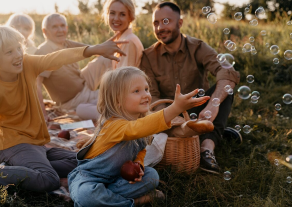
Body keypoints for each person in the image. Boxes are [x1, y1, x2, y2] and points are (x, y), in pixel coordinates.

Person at [0, 25, 126, 192]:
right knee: (49, 179)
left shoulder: (27, 64)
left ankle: (30, 167)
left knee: (88, 162)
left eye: (18, 48)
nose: (17, 54)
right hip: (13, 147)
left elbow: (54, 58)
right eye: (9, 52)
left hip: (38, 145)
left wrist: (93, 49)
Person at [68, 66, 210, 206]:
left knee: (152, 176)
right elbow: (136, 129)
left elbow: (141, 149)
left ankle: (108, 198)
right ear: (117, 100)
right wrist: (175, 108)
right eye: (136, 91)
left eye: (146, 89)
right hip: (90, 178)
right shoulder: (113, 125)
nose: (146, 95)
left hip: (119, 178)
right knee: (86, 196)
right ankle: (135, 202)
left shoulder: (140, 124)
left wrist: (139, 164)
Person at [140, 2, 241, 174]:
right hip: (169, 114)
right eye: (155, 23)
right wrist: (173, 118)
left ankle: (206, 148)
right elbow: (153, 97)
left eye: (165, 21)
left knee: (224, 89)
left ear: (179, 23)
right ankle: (213, 132)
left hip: (201, 110)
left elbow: (227, 72)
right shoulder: (148, 57)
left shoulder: (197, 47)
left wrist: (213, 104)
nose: (160, 27)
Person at [35, 13, 115, 121]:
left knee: (105, 59)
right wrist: (43, 115)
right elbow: (36, 84)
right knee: (114, 97)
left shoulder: (66, 43)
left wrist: (107, 46)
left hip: (84, 83)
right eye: (54, 27)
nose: (60, 30)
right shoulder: (44, 51)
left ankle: (124, 82)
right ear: (45, 32)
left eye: (62, 26)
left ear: (66, 28)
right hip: (73, 101)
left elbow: (92, 49)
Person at [102, 0, 144, 69]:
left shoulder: (128, 42)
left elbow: (124, 78)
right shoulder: (120, 40)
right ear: (107, 14)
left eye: (122, 14)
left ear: (130, 18)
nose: (116, 18)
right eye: (112, 13)